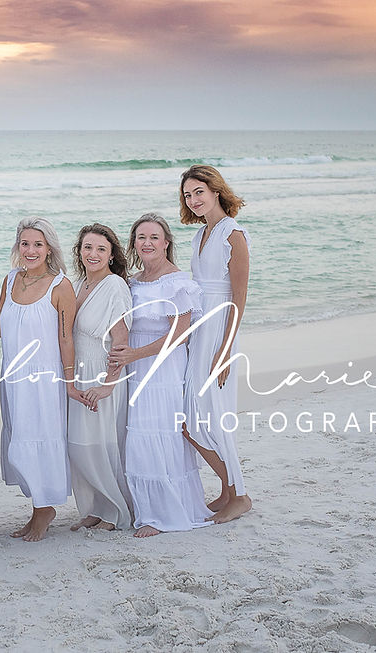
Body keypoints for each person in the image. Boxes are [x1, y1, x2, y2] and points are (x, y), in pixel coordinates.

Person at [108, 213, 212, 537]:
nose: (147, 243)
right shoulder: (132, 283)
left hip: (163, 369)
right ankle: (144, 506)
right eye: (141, 237)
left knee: (159, 434)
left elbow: (179, 335)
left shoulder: (179, 283)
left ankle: (160, 514)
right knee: (137, 435)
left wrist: (136, 354)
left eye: (154, 237)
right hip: (135, 370)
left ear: (166, 242)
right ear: (134, 244)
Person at [0, 217, 79, 542]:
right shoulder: (11, 279)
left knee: (43, 436)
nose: (30, 250)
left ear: (49, 248)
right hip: (14, 378)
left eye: (38, 244)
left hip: (45, 379)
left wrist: (70, 381)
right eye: (25, 243)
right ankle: (37, 508)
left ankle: (44, 510)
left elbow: (66, 338)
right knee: (21, 438)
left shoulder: (61, 286)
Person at [179, 165, 253, 524]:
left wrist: (224, 352)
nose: (193, 200)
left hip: (220, 329)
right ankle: (226, 487)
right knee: (192, 418)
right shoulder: (199, 236)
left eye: (198, 192)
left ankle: (240, 496)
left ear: (216, 190)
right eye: (188, 194)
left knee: (216, 415)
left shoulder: (232, 234)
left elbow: (239, 298)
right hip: (198, 328)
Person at [67, 224, 135, 531]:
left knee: (102, 443)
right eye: (87, 248)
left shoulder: (115, 286)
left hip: (102, 372)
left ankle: (114, 510)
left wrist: (107, 385)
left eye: (100, 249)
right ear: (79, 251)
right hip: (79, 371)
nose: (92, 254)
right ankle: (93, 508)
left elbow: (121, 341)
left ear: (111, 255)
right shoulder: (78, 283)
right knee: (80, 444)